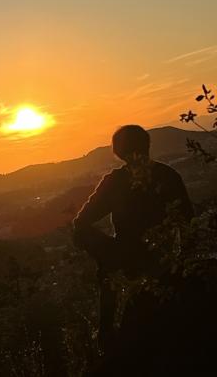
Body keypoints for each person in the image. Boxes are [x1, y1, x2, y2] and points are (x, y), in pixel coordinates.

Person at [72, 125, 193, 352]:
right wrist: (181, 263)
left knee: (106, 271)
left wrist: (103, 252)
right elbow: (188, 221)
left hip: (125, 256)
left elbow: (81, 223)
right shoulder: (169, 175)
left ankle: (106, 333)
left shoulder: (115, 182)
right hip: (163, 258)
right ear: (146, 146)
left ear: (118, 152)